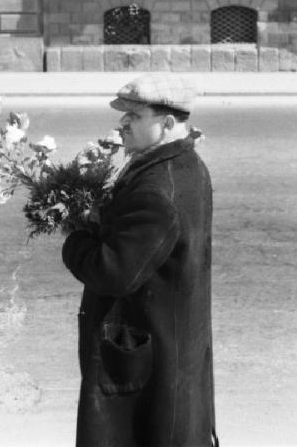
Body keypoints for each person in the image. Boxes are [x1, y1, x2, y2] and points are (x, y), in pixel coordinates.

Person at [62, 73, 219, 447]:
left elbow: (112, 273)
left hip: (149, 363)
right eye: (124, 115)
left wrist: (75, 237)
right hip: (173, 346)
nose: (122, 123)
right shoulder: (185, 165)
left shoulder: (158, 188)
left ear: (166, 124)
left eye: (134, 116)